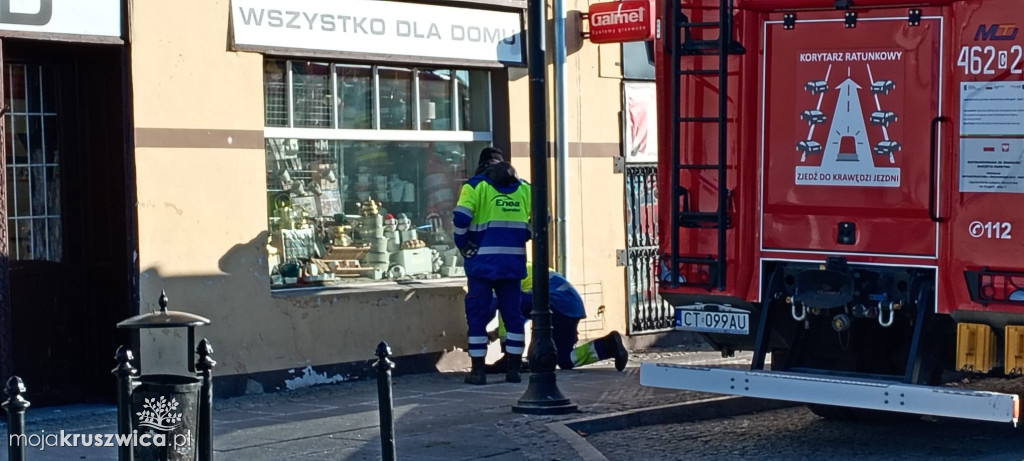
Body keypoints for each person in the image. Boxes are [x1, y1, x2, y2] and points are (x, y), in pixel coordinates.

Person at [453, 147, 531, 385]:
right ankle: (514, 369)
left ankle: (478, 371)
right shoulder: (525, 189)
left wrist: (463, 244)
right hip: (512, 264)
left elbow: (461, 218)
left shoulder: (476, 187)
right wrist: (521, 236)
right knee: (513, 316)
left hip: (482, 265)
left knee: (477, 316)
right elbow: (541, 220)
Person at [490, 265, 629, 373]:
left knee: (507, 301)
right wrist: (496, 333)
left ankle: (509, 356)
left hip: (557, 303)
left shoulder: (504, 275)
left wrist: (508, 353)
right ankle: (607, 345)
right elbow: (519, 314)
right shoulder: (520, 266)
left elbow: (507, 309)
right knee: (565, 360)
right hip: (570, 306)